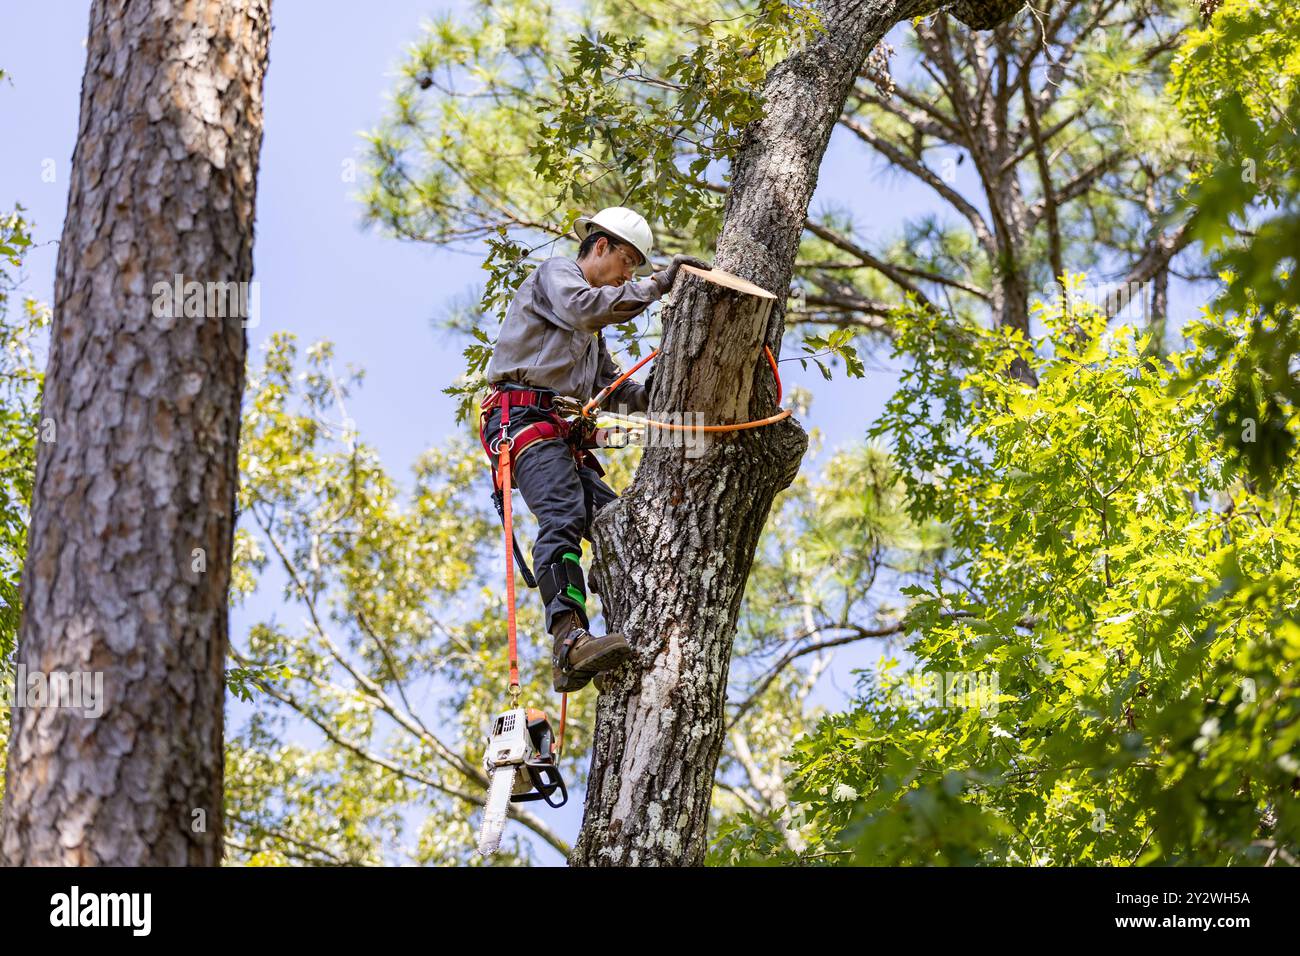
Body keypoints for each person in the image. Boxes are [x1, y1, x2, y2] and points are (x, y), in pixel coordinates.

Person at [481, 206, 709, 692]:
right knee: (561, 515)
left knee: (617, 520)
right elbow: (585, 308)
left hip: (561, 432)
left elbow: (610, 387)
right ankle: (569, 639)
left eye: (636, 270)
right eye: (628, 262)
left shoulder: (592, 336)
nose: (629, 275)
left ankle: (607, 620)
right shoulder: (558, 276)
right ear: (600, 246)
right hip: (523, 421)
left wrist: (670, 384)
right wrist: (661, 284)